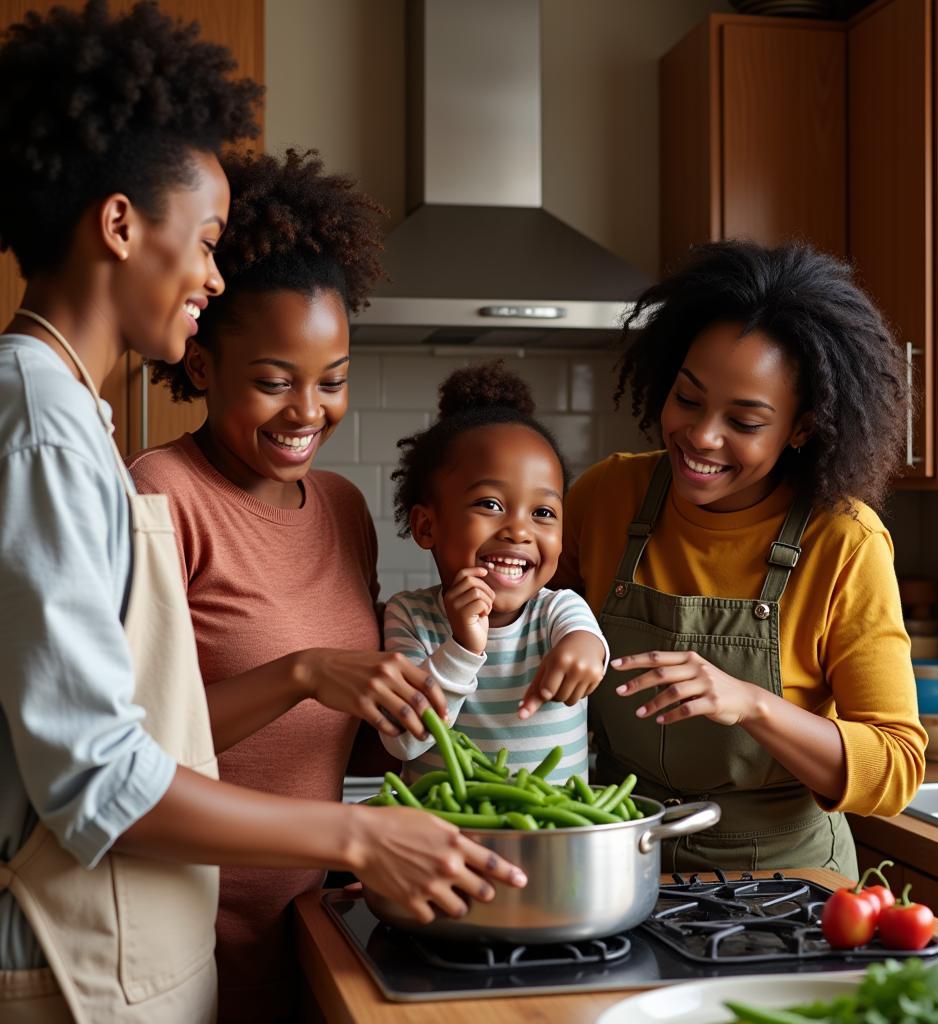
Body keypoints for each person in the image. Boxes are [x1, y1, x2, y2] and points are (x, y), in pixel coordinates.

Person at [0, 5, 524, 1023]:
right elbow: (98, 779)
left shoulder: (68, 415)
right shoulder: (45, 425)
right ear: (119, 225)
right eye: (202, 241)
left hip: (135, 944)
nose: (210, 273)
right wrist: (360, 837)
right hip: (69, 961)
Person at [130, 146, 453, 1023]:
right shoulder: (160, 495)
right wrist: (304, 671)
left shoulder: (344, 509)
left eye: (333, 381)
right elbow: (133, 756)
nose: (308, 411)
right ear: (202, 365)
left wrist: (447, 675)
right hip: (184, 938)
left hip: (318, 925)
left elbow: (349, 749)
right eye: (275, 382)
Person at [555, 240, 927, 880]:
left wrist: (750, 703)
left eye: (745, 421)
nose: (702, 436)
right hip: (617, 859)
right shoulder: (605, 496)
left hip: (786, 881)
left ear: (803, 427)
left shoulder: (842, 541)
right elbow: (535, 638)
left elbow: (895, 767)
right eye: (689, 399)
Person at [382, 361, 608, 784]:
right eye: (490, 504)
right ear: (426, 526)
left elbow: (587, 647)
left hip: (552, 841)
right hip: (436, 839)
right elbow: (402, 742)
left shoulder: (558, 610)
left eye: (543, 512)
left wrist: (584, 652)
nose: (519, 530)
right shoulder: (410, 617)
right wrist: (463, 648)